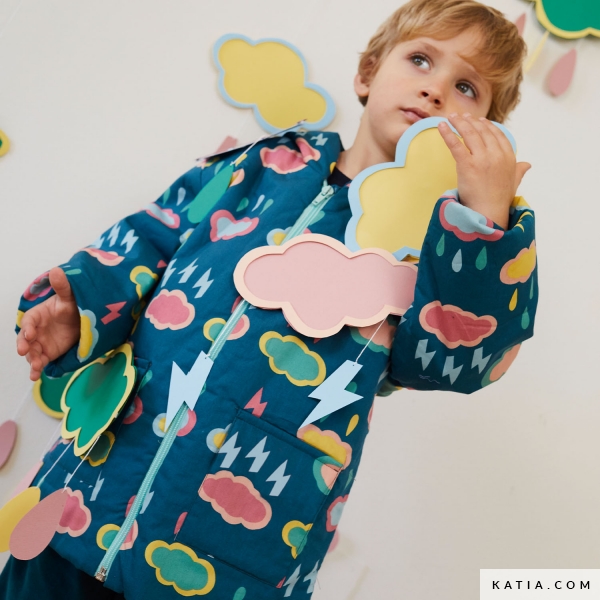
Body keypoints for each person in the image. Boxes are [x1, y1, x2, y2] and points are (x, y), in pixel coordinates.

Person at [3, 0, 538, 598]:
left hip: (232, 548)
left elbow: (458, 358)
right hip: (87, 496)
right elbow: (152, 239)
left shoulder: (441, 248)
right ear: (367, 72)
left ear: (487, 132)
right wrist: (78, 308)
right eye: (420, 60)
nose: (435, 89)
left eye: (466, 87)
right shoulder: (263, 165)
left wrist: (484, 219)